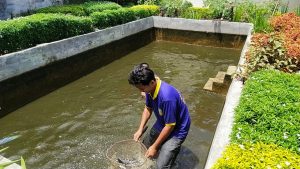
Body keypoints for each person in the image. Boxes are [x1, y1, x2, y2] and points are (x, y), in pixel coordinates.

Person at [128, 63, 191, 169]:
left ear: (152, 82)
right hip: (163, 122)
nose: (141, 92)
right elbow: (148, 108)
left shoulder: (167, 97)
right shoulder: (150, 86)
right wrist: (140, 129)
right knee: (144, 147)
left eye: (142, 89)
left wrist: (155, 147)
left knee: (161, 166)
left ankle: (170, 155)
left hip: (177, 129)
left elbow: (170, 126)